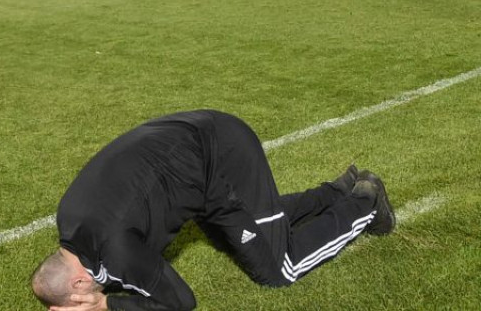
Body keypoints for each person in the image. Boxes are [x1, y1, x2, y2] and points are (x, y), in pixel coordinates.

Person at [32, 110, 395, 311]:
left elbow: (180, 302)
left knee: (278, 268)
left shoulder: (116, 251)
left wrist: (105, 308)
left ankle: (365, 202)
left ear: (79, 283)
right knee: (233, 241)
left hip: (223, 155)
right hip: (186, 146)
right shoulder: (68, 218)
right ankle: (336, 190)